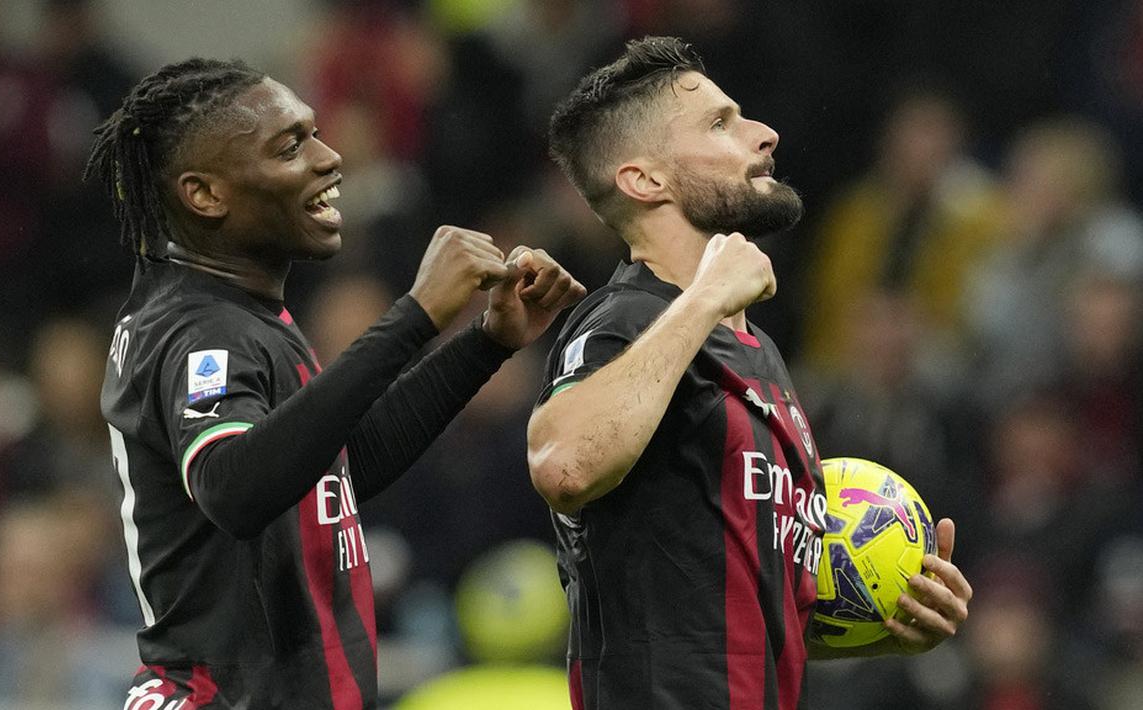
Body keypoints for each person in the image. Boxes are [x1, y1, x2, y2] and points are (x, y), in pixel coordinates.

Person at [87, 58, 585, 709]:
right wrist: (414, 317)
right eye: (289, 147)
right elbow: (234, 487)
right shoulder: (201, 331)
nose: (329, 159)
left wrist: (485, 342)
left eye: (314, 135)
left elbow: (336, 471)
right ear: (205, 194)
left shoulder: (234, 314)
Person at [527, 37, 973, 708]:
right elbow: (564, 465)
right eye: (719, 124)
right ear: (644, 181)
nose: (764, 134)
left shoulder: (755, 348)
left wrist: (881, 626)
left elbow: (720, 613)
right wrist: (703, 299)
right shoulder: (623, 318)